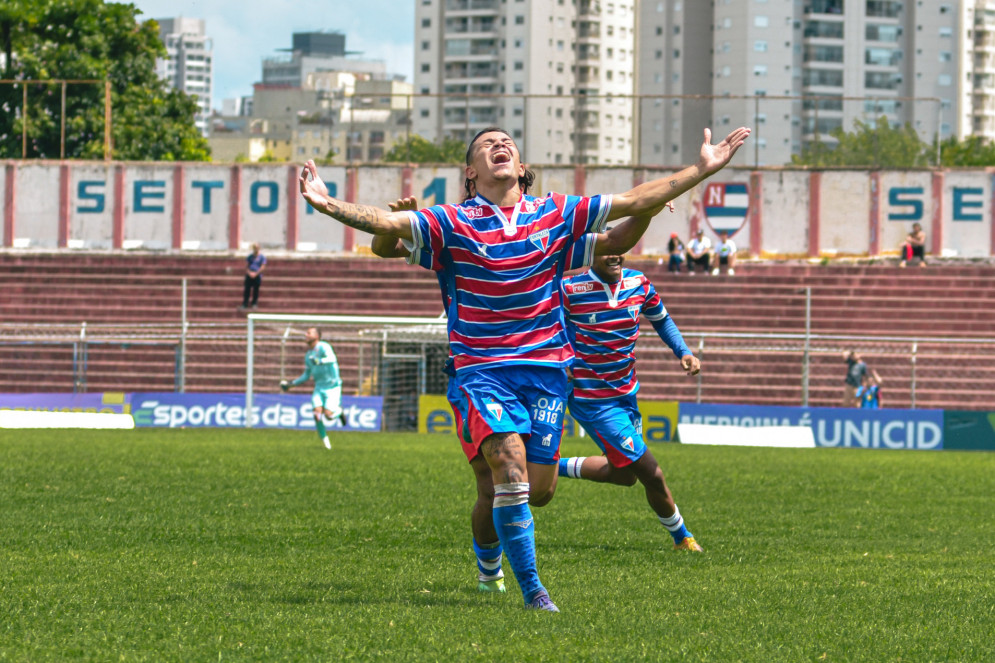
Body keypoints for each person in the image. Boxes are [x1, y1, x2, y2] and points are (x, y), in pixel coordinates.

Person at [300, 124, 750, 612]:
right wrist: (326, 202)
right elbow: (385, 231)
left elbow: (626, 216)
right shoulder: (452, 221)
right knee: (506, 469)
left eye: (507, 141)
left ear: (519, 164)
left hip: (549, 374)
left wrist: (701, 171)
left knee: (535, 491)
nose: (500, 145)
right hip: (480, 370)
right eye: (486, 144)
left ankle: (490, 560)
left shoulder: (555, 215)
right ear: (472, 171)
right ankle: (532, 591)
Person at [558, 242, 704, 552]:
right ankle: (683, 538)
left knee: (624, 475)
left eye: (620, 247)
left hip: (626, 394)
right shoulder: (571, 288)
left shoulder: (639, 284)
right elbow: (549, 325)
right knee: (651, 471)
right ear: (589, 253)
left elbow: (661, 319)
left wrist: (684, 351)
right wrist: (564, 357)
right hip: (591, 399)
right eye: (607, 248)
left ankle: (546, 465)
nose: (615, 254)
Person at [280, 327, 346, 449]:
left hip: (332, 386)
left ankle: (339, 412)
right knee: (317, 415)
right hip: (319, 387)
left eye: (309, 333)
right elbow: (306, 375)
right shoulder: (308, 355)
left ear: (317, 336)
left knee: (328, 415)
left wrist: (319, 361)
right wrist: (292, 384)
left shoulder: (323, 347)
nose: (306, 334)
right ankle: (326, 443)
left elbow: (332, 359)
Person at [240, 243, 267, 309]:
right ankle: (245, 303)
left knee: (256, 290)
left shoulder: (262, 257)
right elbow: (246, 266)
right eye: (254, 248)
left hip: (257, 275)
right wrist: (250, 273)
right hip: (250, 274)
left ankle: (254, 303)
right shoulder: (250, 257)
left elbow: (263, 267)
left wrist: (256, 273)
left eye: (256, 248)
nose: (255, 249)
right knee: (247, 290)